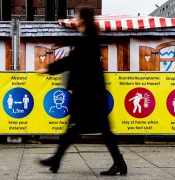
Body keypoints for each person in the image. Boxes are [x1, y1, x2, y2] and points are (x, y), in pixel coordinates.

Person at [38, 7, 127, 176]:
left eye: (78, 17)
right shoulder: (91, 39)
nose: (76, 20)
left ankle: (56, 160)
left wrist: (49, 69)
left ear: (83, 20)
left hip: (88, 96)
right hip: (92, 94)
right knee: (85, 129)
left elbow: (71, 61)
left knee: (78, 129)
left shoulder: (87, 41)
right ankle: (56, 160)